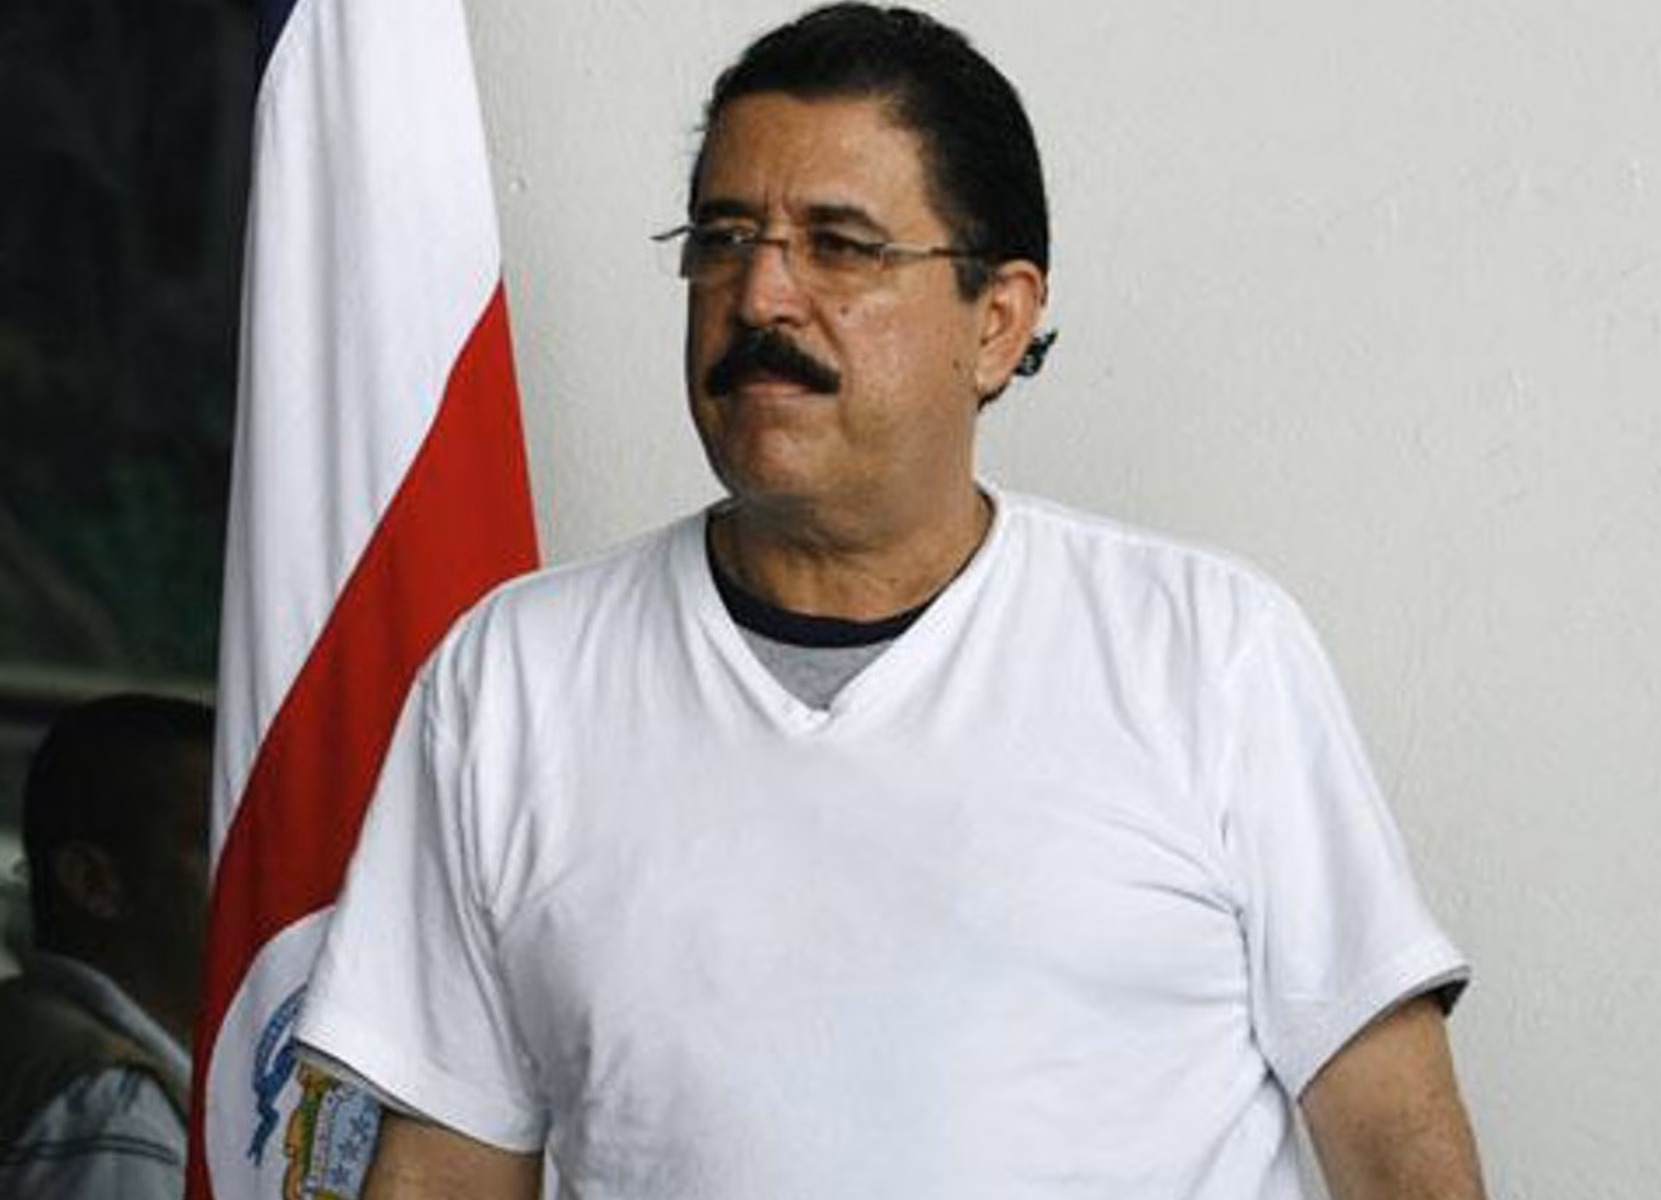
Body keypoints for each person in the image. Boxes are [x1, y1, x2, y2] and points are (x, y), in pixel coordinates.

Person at [297, 5, 1488, 1198]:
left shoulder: (1203, 652)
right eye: (724, 237)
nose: (760, 295)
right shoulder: (514, 680)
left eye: (841, 245)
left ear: (998, 321)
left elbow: (1398, 1144)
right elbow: (445, 1172)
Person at [0, 693, 213, 1199]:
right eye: (217, 844)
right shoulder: (117, 1110)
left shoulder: (33, 1035)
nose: (259, 877)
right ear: (94, 883)